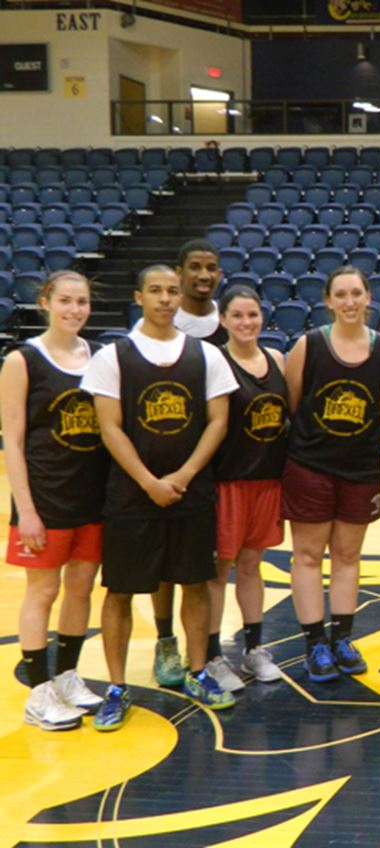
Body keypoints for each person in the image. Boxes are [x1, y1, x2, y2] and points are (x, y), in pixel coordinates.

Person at [83, 265, 239, 730]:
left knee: (195, 582)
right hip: (131, 495)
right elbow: (108, 427)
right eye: (156, 291)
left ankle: (197, 671)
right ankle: (116, 686)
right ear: (139, 297)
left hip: (191, 492)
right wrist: (149, 480)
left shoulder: (206, 355)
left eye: (172, 291)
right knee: (120, 591)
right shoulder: (113, 356)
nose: (166, 299)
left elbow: (218, 422)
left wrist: (185, 474)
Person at [283, 266, 380, 683]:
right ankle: (315, 642)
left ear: (369, 297)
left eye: (357, 293)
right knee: (309, 555)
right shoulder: (309, 345)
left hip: (362, 467)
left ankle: (343, 638)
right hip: (311, 465)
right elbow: (293, 404)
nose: (350, 301)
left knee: (349, 556)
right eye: (341, 294)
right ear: (329, 301)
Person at [2, 271, 110, 730]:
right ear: (46, 302)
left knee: (82, 590)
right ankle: (39, 691)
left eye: (82, 302)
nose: (74, 310)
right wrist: (25, 509)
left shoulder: (100, 357)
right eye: (65, 300)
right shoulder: (22, 361)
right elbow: (14, 440)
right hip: (45, 498)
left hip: (92, 496)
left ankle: (67, 676)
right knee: (43, 591)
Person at [149, 239, 228, 687]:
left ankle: (209, 648)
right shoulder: (157, 327)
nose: (202, 274)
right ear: (178, 273)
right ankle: (165, 641)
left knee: (204, 566)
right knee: (163, 565)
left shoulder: (228, 324)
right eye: (194, 267)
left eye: (210, 268)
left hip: (214, 463)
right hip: (162, 461)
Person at [204, 286, 288, 693]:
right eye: (237, 316)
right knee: (220, 570)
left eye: (252, 315)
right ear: (223, 320)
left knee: (253, 565)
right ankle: (213, 656)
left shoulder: (276, 360)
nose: (246, 323)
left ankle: (254, 648)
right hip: (228, 481)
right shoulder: (214, 361)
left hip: (267, 480)